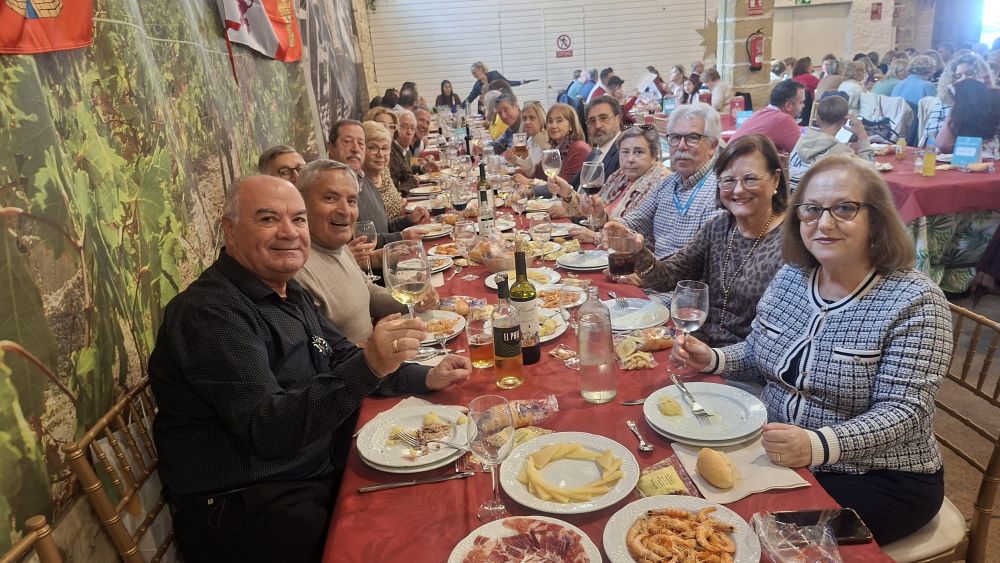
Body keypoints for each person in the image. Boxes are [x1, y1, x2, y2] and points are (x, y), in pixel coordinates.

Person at [149, 175, 471, 563]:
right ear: (229, 230)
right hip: (248, 500)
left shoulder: (285, 289)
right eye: (268, 219)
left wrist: (425, 376)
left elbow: (341, 357)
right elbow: (268, 431)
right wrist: (370, 364)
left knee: (443, 488)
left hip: (312, 463)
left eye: (298, 219)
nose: (289, 232)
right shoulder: (210, 314)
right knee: (402, 539)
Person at [672, 155, 952, 545]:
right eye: (811, 209)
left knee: (750, 538)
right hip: (777, 451)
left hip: (878, 477)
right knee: (690, 505)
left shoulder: (915, 301)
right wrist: (714, 358)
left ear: (877, 219)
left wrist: (816, 445)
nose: (823, 223)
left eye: (844, 208)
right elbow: (759, 353)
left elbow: (904, 412)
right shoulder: (792, 276)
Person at [604, 134, 788, 346]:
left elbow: (776, 340)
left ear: (775, 179)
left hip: (744, 358)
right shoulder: (720, 226)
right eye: (728, 180)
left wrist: (715, 358)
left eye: (750, 179)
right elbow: (669, 277)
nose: (738, 189)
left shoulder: (790, 244)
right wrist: (638, 251)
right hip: (698, 343)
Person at [294, 159, 437, 344]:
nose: (345, 210)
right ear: (301, 202)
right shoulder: (297, 271)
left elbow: (368, 292)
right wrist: (373, 351)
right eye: (330, 198)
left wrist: (413, 300)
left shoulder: (338, 247)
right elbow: (322, 353)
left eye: (352, 200)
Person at [621, 102, 725, 259]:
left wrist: (650, 269)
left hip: (681, 274)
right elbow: (635, 221)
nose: (681, 146)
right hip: (656, 269)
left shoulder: (719, 191)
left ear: (712, 146)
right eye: (675, 137)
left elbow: (702, 260)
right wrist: (610, 226)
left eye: (692, 138)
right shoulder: (668, 183)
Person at [548, 125, 670, 243]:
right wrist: (567, 193)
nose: (630, 159)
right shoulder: (620, 175)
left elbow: (636, 234)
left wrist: (595, 237)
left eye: (638, 152)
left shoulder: (661, 182)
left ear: (654, 155)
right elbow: (592, 210)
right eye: (625, 152)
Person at [326, 119, 426, 249]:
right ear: (330, 148)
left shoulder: (364, 180)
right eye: (347, 142)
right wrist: (400, 237)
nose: (355, 149)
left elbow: (381, 227)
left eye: (360, 143)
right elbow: (358, 240)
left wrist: (408, 220)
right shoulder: (331, 189)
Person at [789, 96, 874, 191]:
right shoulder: (842, 152)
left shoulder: (801, 140)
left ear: (817, 119)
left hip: (790, 196)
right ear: (845, 121)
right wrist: (862, 136)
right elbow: (869, 175)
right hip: (816, 198)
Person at [923, 52, 995, 146]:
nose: (964, 78)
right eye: (958, 76)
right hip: (948, 152)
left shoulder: (992, 101)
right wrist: (957, 104)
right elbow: (931, 135)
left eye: (969, 73)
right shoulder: (946, 102)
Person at [514, 103, 590, 183]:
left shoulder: (579, 149)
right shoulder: (555, 148)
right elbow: (536, 174)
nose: (553, 126)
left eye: (559, 121)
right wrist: (522, 160)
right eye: (550, 121)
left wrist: (529, 182)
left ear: (571, 125)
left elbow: (566, 186)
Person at [730, 79, 806, 153]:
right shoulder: (783, 119)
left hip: (732, 157)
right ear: (788, 105)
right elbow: (804, 154)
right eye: (801, 102)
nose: (804, 105)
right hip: (742, 160)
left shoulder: (760, 113)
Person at [935, 79, 1000, 159]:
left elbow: (943, 145)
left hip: (964, 161)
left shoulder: (959, 118)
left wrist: (952, 112)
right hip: (992, 159)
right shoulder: (993, 110)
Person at [570, 95, 624, 186]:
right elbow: (572, 186)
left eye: (604, 118)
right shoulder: (594, 153)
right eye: (592, 121)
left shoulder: (624, 153)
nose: (598, 125)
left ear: (617, 120)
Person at [361, 121, 406, 220]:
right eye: (373, 148)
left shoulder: (384, 171)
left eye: (385, 148)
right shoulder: (359, 182)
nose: (380, 154)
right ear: (361, 149)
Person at [891, 55, 937, 145]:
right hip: (917, 132)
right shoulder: (927, 86)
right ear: (931, 70)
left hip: (897, 130)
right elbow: (936, 109)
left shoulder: (899, 84)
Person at [507, 101, 548, 176]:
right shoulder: (530, 140)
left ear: (541, 120)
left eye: (532, 118)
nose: (527, 122)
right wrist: (514, 159)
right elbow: (529, 170)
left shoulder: (547, 141)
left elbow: (536, 174)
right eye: (524, 118)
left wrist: (523, 157)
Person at [389, 109, 419, 194]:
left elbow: (412, 165)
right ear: (395, 128)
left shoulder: (406, 149)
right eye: (404, 126)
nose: (409, 132)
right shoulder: (391, 151)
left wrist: (424, 166)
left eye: (412, 128)